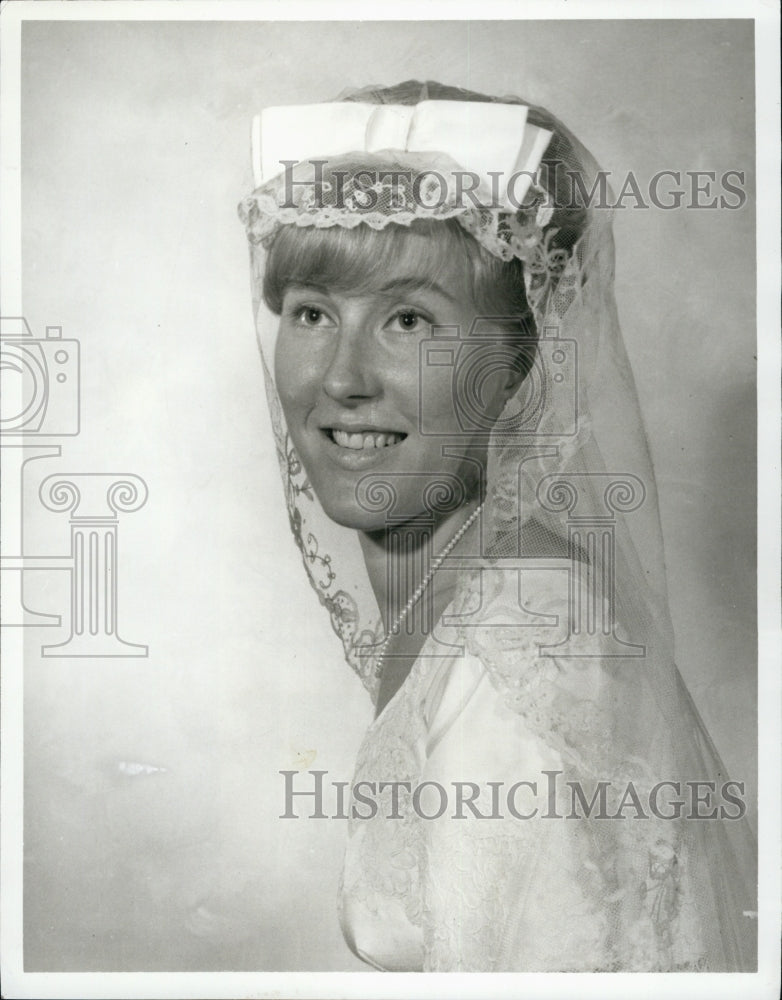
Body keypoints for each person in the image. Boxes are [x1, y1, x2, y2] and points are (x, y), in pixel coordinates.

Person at [239, 80, 757, 972]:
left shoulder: (526, 637)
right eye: (312, 313)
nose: (342, 378)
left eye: (408, 320)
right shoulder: (471, 598)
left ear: (520, 365)